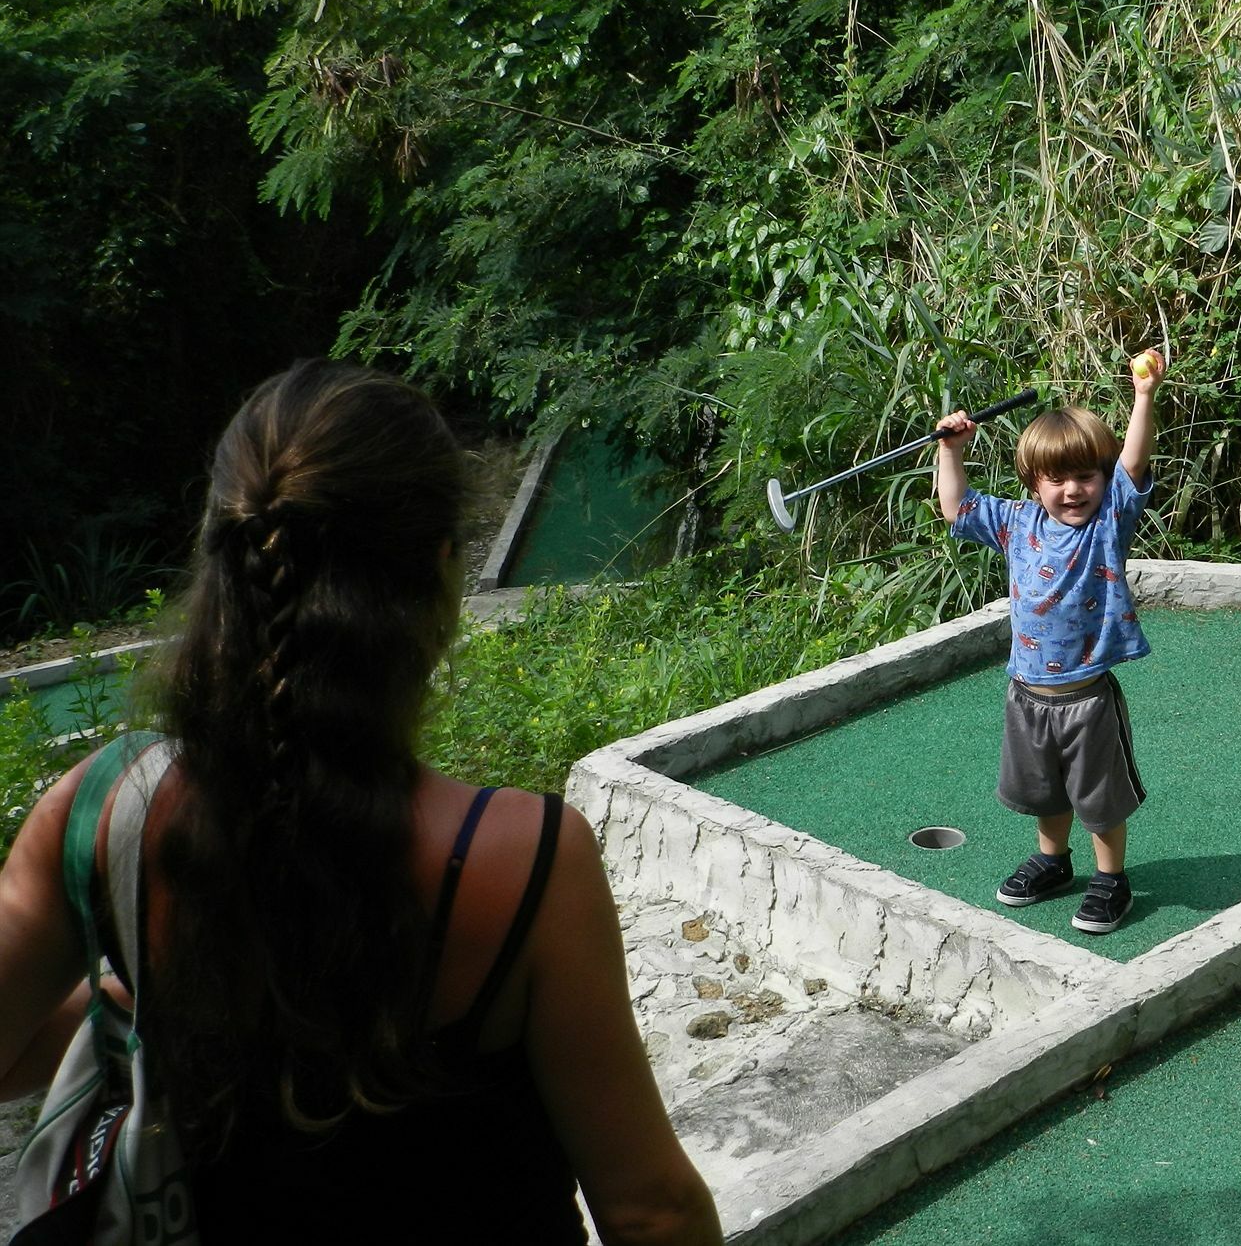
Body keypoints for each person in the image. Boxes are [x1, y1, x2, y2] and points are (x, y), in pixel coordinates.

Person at [0, 360, 721, 1246]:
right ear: (443, 571)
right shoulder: (525, 860)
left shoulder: (101, 810)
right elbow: (652, 1210)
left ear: (223, 564)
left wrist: (139, 994)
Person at [934, 349, 1165, 935]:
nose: (1072, 490)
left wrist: (1143, 398)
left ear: (1103, 479)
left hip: (1088, 698)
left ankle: (1111, 878)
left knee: (1099, 797)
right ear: (1033, 482)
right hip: (1027, 693)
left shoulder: (1109, 518)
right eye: (1056, 479)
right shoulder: (1016, 524)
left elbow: (1134, 464)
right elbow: (956, 506)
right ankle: (1054, 862)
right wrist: (949, 450)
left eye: (1085, 476)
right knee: (1044, 790)